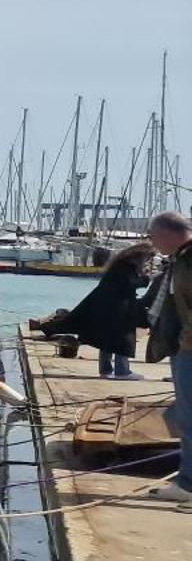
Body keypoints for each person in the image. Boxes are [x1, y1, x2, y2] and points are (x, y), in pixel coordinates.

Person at [43, 243, 153, 379]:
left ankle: (105, 370)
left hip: (109, 309)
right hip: (119, 311)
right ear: (139, 257)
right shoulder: (126, 268)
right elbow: (129, 285)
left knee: (107, 341)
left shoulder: (118, 266)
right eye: (147, 259)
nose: (147, 262)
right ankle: (122, 371)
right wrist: (145, 278)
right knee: (123, 340)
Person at [145, 211, 192, 504]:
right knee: (181, 416)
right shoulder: (180, 260)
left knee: (186, 418)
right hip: (183, 347)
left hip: (190, 349)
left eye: (152, 236)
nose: (151, 242)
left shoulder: (188, 262)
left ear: (166, 233)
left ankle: (187, 485)